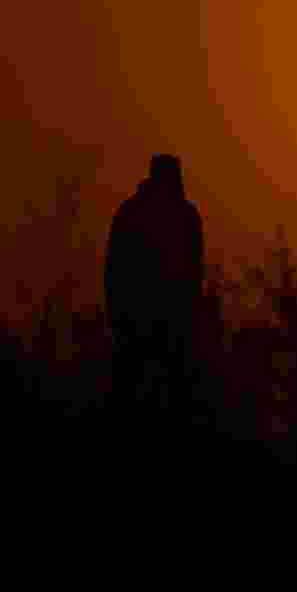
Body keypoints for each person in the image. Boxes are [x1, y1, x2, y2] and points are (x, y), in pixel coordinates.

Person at [105, 155, 204, 452]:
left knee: (158, 394)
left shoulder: (134, 213)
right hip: (147, 319)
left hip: (159, 320)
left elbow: (193, 271)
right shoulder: (181, 216)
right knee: (149, 393)